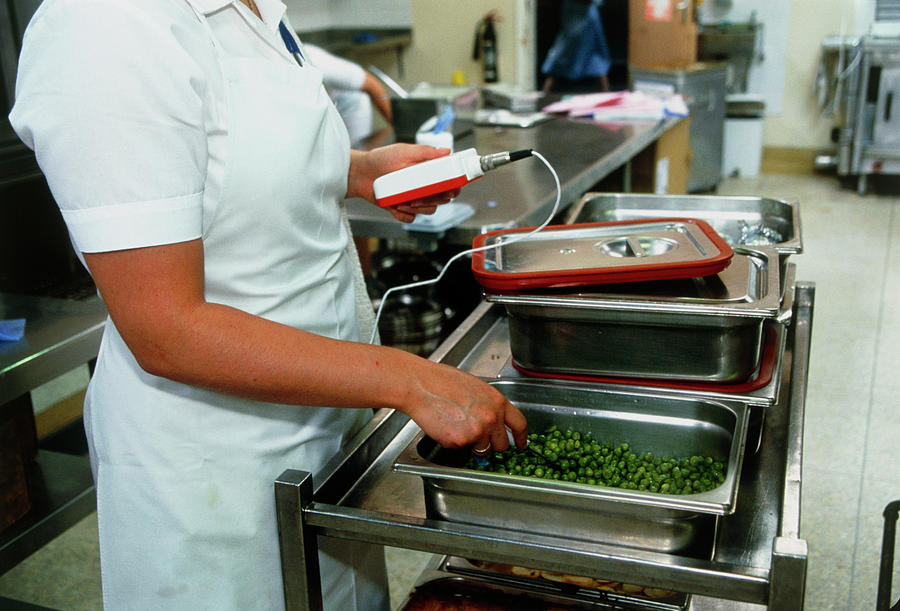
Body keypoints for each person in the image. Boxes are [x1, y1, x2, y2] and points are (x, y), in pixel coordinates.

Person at [9, 0, 528, 609]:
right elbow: (165, 328)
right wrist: (410, 379)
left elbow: (232, 160)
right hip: (220, 482)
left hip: (329, 441)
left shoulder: (252, 8)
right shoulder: (106, 26)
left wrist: (356, 170)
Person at [303, 43, 394, 143]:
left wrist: (397, 130)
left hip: (351, 108)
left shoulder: (315, 61)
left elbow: (372, 85)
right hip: (322, 113)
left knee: (355, 153)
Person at [541, 0, 611, 93]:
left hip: (586, 16)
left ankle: (606, 91)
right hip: (576, 14)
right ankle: (545, 92)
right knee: (563, 51)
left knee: (593, 53)